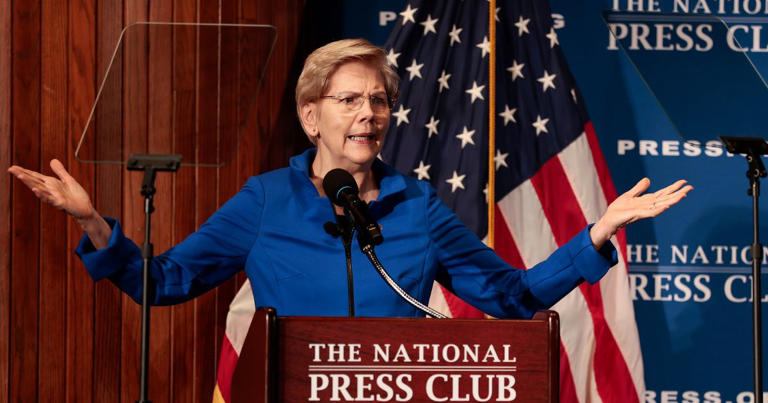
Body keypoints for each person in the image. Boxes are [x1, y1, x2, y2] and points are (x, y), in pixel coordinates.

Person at [7, 38, 692, 318]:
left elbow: (512, 297)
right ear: (311, 116)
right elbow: (164, 282)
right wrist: (92, 221)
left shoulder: (417, 206)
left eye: (379, 100)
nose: (369, 114)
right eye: (349, 100)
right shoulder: (265, 200)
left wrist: (596, 234)